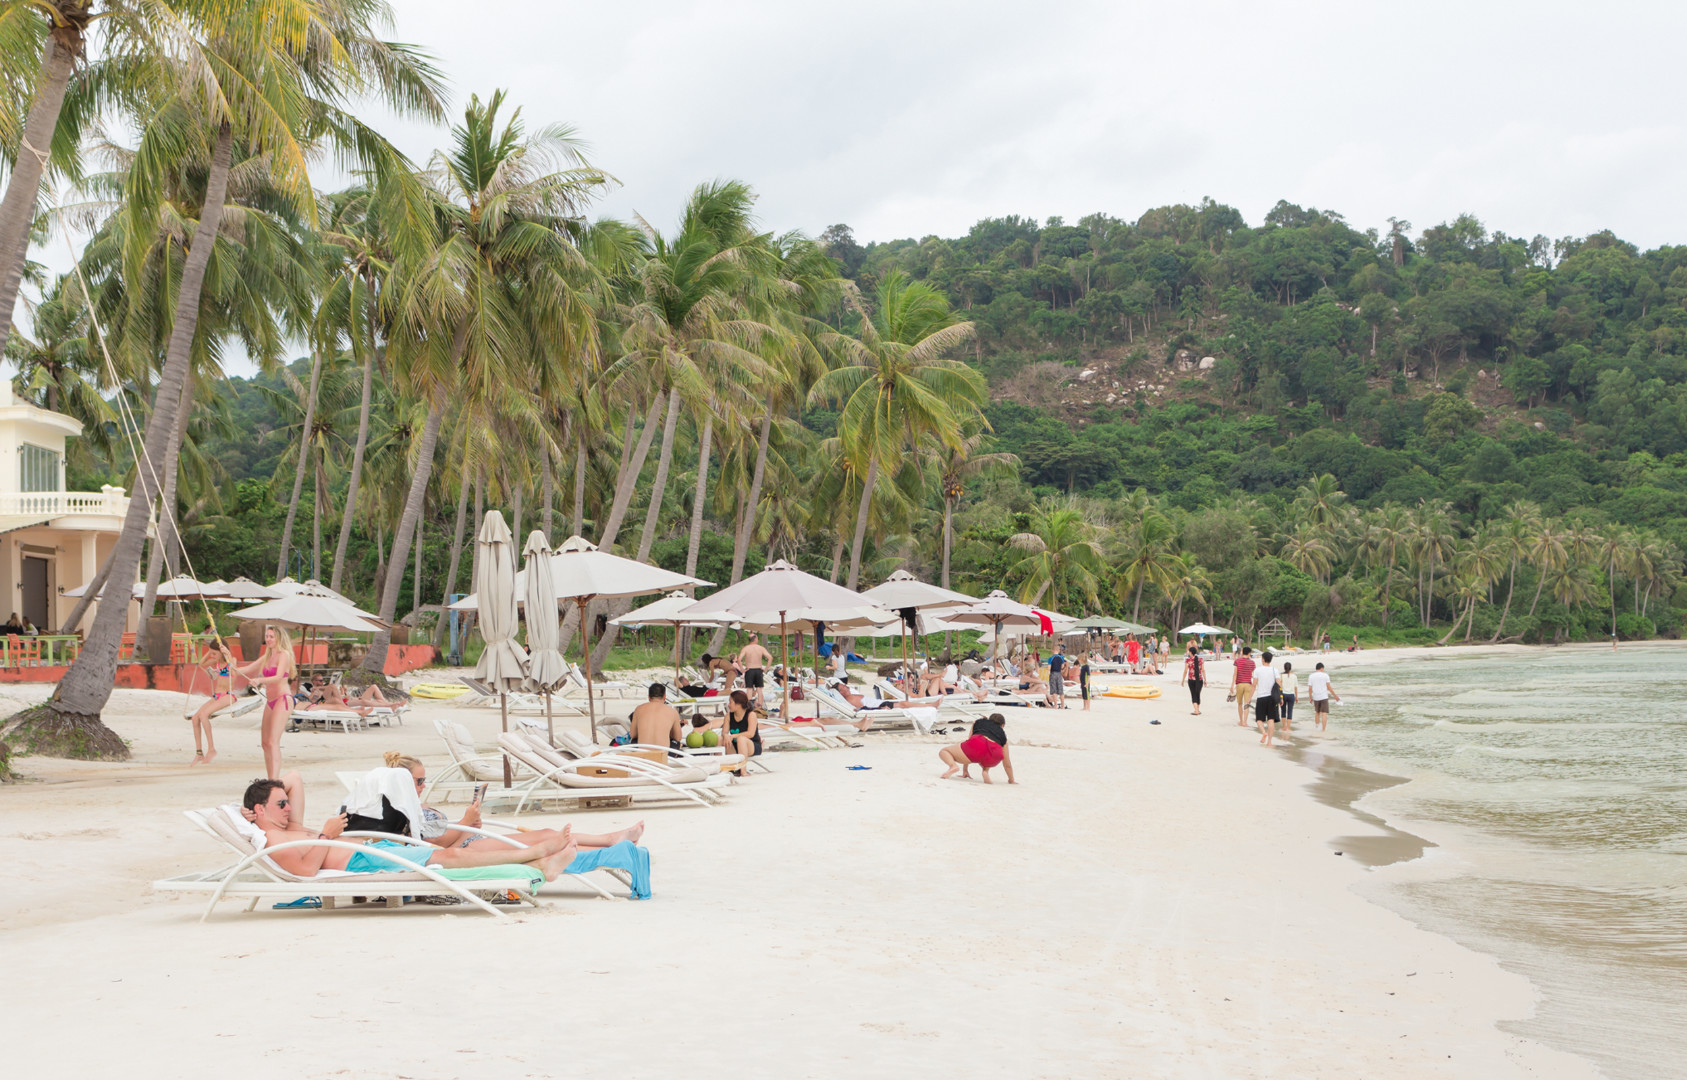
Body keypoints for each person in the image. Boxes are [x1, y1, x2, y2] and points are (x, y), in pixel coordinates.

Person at [242, 772, 580, 880]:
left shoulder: (287, 826)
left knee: (446, 854)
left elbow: (293, 778)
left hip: (369, 850)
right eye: (280, 804)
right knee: (447, 859)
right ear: (262, 809)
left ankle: (537, 864)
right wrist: (325, 835)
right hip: (361, 860)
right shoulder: (273, 836)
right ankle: (535, 856)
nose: (288, 807)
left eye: (286, 802)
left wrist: (250, 808)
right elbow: (302, 872)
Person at [386, 752, 646, 854]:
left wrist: (469, 823)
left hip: (469, 841)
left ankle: (610, 842)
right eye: (419, 782)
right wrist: (466, 823)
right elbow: (432, 845)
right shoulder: (401, 812)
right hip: (464, 852)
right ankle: (611, 843)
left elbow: (443, 837)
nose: (423, 786)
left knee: (544, 836)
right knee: (545, 838)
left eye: (424, 781)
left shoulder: (417, 808)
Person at [234, 625, 296, 779]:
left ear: (279, 638)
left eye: (271, 637)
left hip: (283, 699)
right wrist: (230, 664)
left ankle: (274, 781)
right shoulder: (267, 655)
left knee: (273, 742)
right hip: (270, 701)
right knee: (265, 743)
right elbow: (247, 669)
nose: (268, 639)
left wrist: (260, 680)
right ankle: (270, 779)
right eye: (267, 636)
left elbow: (279, 676)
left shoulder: (284, 655)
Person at [187, 644, 241, 765]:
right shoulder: (216, 661)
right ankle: (199, 753)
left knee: (204, 715)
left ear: (222, 652)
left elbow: (234, 672)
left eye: (215, 654)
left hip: (228, 695)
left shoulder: (231, 661)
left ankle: (211, 749)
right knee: (195, 718)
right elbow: (200, 664)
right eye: (212, 654)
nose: (212, 656)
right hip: (217, 695)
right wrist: (210, 651)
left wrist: (227, 653)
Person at [938, 712, 1017, 784]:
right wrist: (1011, 780)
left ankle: (953, 766)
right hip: (994, 755)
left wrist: (965, 770)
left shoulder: (979, 722)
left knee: (944, 751)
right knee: (988, 752)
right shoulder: (1003, 736)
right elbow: (1007, 763)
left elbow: (969, 743)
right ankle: (985, 771)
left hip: (977, 744)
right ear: (1002, 725)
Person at [629, 682, 684, 751]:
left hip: (642, 753)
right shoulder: (673, 711)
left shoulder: (639, 709)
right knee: (676, 742)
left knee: (634, 741)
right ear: (664, 697)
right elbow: (678, 737)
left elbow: (633, 735)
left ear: (649, 697)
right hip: (663, 754)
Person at [721, 689, 763, 776]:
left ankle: (743, 770)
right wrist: (725, 736)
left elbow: (750, 733)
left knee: (741, 739)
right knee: (720, 739)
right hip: (735, 746)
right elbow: (724, 732)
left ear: (738, 704)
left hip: (752, 745)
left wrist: (734, 736)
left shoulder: (751, 715)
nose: (728, 705)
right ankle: (723, 768)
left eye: (730, 702)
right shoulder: (729, 715)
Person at [1251, 649, 1280, 747]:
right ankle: (1269, 742)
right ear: (1270, 660)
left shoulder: (1257, 670)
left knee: (1259, 719)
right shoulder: (1274, 670)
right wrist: (1281, 698)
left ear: (1263, 659)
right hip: (1272, 698)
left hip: (1261, 697)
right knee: (1271, 719)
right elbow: (1279, 684)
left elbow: (1254, 685)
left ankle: (1264, 732)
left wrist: (1249, 698)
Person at [1307, 662, 1340, 733]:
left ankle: (1316, 727)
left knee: (1317, 712)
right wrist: (1335, 696)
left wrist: (1310, 697)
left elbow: (1310, 688)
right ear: (1321, 668)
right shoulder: (1325, 675)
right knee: (1324, 713)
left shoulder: (1311, 676)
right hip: (1324, 697)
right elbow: (1329, 687)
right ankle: (1323, 730)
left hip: (1316, 697)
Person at [1232, 645, 1256, 728]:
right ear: (1249, 653)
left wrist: (1232, 685)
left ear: (1242, 652)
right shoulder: (1252, 662)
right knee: (1247, 703)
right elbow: (1254, 675)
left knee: (1239, 703)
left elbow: (1235, 674)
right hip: (1248, 684)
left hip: (1239, 684)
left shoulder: (1237, 661)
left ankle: (1241, 721)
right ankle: (1245, 722)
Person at [1181, 642, 1205, 716]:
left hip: (1191, 679)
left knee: (1193, 694)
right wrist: (1205, 679)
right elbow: (1203, 670)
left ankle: (1196, 710)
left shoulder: (1188, 660)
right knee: (1198, 694)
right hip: (1200, 679)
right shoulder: (1200, 659)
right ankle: (1197, 709)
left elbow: (1185, 671)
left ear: (1190, 652)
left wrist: (1182, 680)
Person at [1279, 661, 1298, 734]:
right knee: (1290, 711)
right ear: (1290, 668)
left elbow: (1279, 686)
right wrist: (1296, 697)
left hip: (1283, 695)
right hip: (1291, 695)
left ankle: (1284, 727)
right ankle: (1288, 727)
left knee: (1283, 711)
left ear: (1284, 668)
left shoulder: (1281, 676)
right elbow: (1295, 687)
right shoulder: (1294, 676)